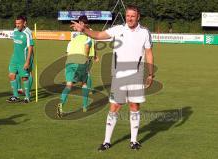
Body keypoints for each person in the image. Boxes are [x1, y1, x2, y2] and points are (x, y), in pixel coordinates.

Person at [71, 5, 154, 151]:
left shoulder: (145, 32)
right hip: (119, 75)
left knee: (134, 106)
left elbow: (148, 53)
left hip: (136, 75)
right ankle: (106, 141)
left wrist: (151, 74)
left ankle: (134, 141)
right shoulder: (118, 29)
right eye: (128, 16)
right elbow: (98, 35)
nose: (129, 18)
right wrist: (84, 30)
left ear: (138, 17)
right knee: (114, 107)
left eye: (132, 16)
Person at [56, 15, 92, 117]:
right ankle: (85, 106)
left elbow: (67, 53)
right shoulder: (88, 38)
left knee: (68, 85)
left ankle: (61, 103)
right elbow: (86, 49)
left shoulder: (72, 40)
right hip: (80, 61)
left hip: (69, 62)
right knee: (84, 83)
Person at [6, 15, 34, 103]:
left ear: (24, 23)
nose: (17, 25)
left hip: (24, 59)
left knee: (24, 78)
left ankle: (27, 97)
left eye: (19, 23)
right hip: (14, 58)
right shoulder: (15, 31)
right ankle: (16, 96)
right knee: (11, 75)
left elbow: (30, 47)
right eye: (16, 23)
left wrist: (27, 61)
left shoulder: (27, 33)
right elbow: (15, 40)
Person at [16, 17, 34, 95]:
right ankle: (19, 89)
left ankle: (28, 91)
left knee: (28, 73)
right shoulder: (18, 30)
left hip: (27, 55)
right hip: (19, 55)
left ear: (25, 22)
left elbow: (30, 45)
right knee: (17, 72)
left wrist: (28, 60)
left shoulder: (28, 31)